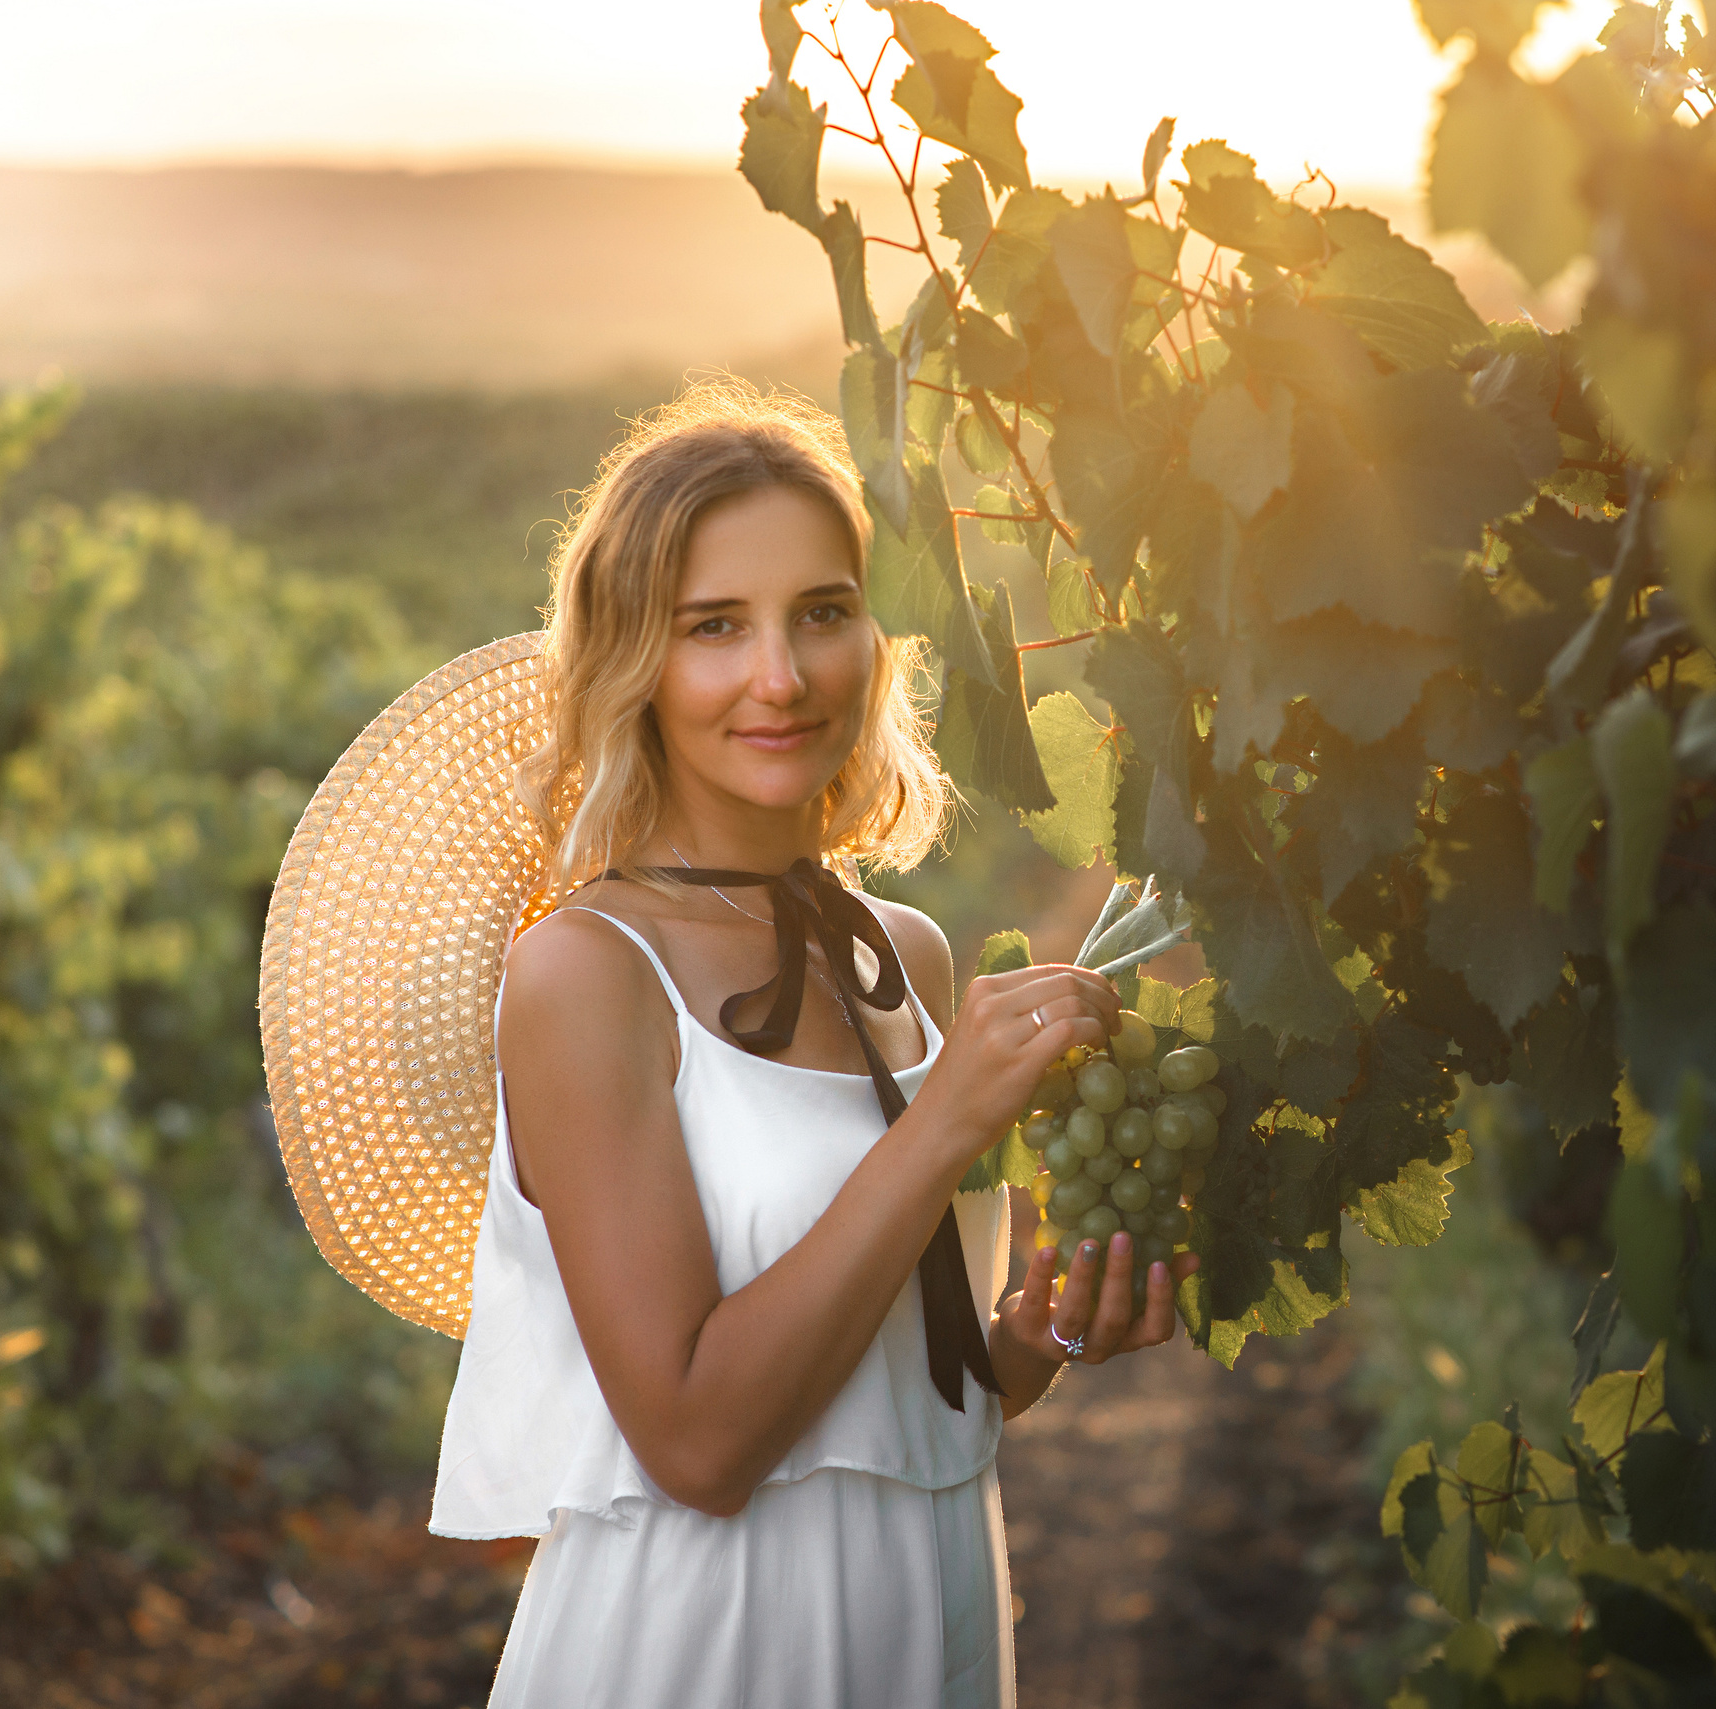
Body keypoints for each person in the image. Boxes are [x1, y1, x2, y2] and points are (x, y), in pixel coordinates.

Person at [425, 381, 1197, 1706]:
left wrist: (1048, 1332)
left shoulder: (904, 950)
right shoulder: (589, 971)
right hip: (709, 1642)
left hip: (929, 1611)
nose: (779, 676)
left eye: (822, 613)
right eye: (713, 627)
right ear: (635, 659)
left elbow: (910, 1397)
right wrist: (951, 1116)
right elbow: (701, 1440)